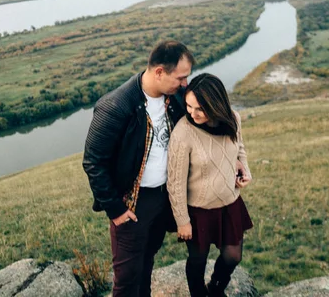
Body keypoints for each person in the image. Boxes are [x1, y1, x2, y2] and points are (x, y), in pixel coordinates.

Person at [82, 40, 195, 296]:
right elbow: (93, 162)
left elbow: (203, 123)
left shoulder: (176, 97)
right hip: (132, 204)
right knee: (126, 279)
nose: (185, 83)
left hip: (162, 198)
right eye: (181, 77)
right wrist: (116, 210)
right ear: (159, 72)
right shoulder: (116, 106)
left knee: (146, 263)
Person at [167, 73, 253, 297]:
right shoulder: (183, 133)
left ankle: (216, 288)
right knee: (198, 260)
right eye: (188, 106)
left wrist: (245, 168)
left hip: (229, 202)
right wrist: (182, 221)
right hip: (199, 210)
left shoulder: (233, 118)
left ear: (215, 105)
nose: (192, 113)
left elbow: (239, 147)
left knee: (233, 256)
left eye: (199, 109)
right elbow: (175, 182)